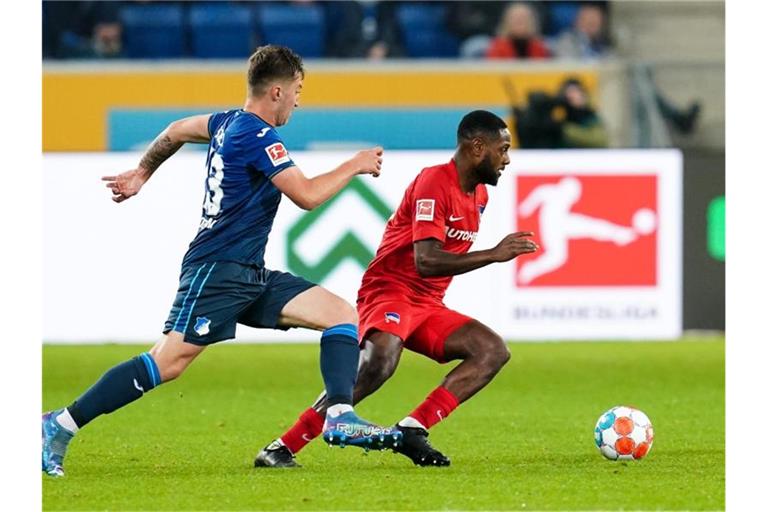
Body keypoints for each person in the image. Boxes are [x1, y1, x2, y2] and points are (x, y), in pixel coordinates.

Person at [41, 45, 401, 478]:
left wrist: (142, 172)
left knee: (342, 315)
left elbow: (175, 130)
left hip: (248, 271)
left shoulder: (224, 122)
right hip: (218, 270)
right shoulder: (258, 135)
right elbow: (306, 195)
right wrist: (354, 165)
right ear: (276, 91)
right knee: (167, 361)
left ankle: (340, 414)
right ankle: (57, 425)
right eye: (298, 90)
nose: (299, 100)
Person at [254, 110, 539, 468]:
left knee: (491, 350)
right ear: (478, 147)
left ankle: (412, 429)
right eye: (503, 149)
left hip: (428, 303)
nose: (507, 159)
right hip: (390, 290)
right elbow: (427, 260)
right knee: (380, 361)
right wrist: (494, 254)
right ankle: (282, 447)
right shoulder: (435, 182)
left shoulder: (480, 195)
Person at [514, 77, 609, 149]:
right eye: (568, 92)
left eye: (576, 92)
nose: (572, 96)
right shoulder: (559, 114)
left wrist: (562, 129)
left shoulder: (590, 117)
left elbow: (599, 141)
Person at [485, 2, 551, 60]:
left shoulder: (539, 46)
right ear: (506, 21)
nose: (519, 21)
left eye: (523, 18)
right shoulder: (497, 47)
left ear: (531, 21)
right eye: (515, 18)